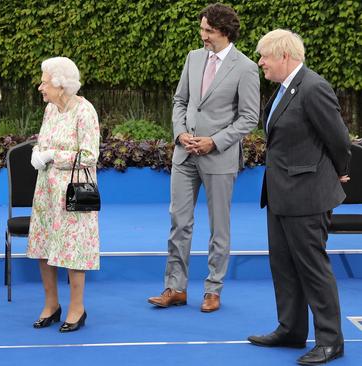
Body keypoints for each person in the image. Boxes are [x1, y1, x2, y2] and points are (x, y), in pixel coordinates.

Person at [147, 3, 259, 312]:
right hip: (184, 156)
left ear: (224, 32)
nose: (202, 35)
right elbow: (180, 100)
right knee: (178, 222)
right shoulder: (193, 58)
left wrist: (215, 141)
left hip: (219, 157)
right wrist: (180, 132)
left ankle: (213, 290)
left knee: (218, 228)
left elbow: (249, 118)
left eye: (208, 31)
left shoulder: (246, 67)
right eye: (201, 29)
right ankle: (175, 287)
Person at [247, 29, 350, 365]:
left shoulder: (314, 87)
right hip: (279, 194)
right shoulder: (282, 89)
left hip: (307, 196)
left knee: (312, 268)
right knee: (284, 265)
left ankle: (331, 341)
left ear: (285, 56)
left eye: (264, 56)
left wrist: (336, 172)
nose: (260, 61)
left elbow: (339, 140)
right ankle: (291, 329)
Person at [27, 57, 100, 333]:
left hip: (73, 191)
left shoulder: (84, 110)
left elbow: (90, 155)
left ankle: (77, 308)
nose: (40, 87)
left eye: (44, 82)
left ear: (60, 84)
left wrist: (52, 155)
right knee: (44, 246)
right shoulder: (50, 109)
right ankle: (51, 304)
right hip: (46, 189)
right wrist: (37, 151)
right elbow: (45, 139)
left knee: (72, 248)